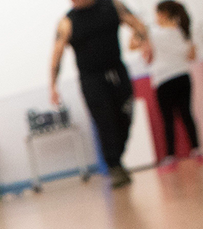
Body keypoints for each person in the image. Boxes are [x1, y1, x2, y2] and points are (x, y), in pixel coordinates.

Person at [50, 0, 154, 188]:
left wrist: (146, 42)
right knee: (105, 121)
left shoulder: (112, 6)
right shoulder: (67, 22)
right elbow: (57, 53)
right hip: (91, 80)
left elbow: (136, 23)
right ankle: (114, 167)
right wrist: (53, 86)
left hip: (117, 71)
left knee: (125, 116)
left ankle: (117, 159)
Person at [147, 1, 203, 171]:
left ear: (163, 14)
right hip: (183, 76)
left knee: (168, 119)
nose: (155, 18)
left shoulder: (154, 33)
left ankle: (170, 157)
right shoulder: (183, 31)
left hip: (163, 80)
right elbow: (191, 56)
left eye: (157, 14)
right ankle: (197, 150)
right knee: (187, 113)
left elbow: (136, 46)